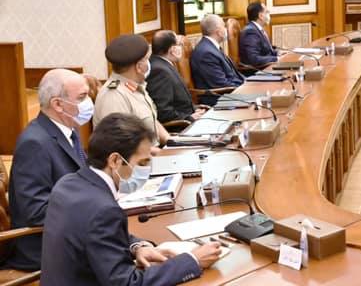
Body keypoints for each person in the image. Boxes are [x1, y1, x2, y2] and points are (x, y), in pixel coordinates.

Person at [40, 113, 221, 285]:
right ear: (115, 161)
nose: (146, 170)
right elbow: (126, 282)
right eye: (142, 163)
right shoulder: (103, 210)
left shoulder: (67, 183)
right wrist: (192, 260)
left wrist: (138, 246)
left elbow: (97, 234)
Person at [4, 69, 91, 271]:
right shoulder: (35, 143)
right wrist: (92, 209)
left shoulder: (68, 129)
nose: (88, 103)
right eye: (82, 97)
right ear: (58, 104)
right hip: (47, 247)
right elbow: (36, 211)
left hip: (71, 233)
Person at [94, 34, 170, 146]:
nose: (150, 63)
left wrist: (170, 141)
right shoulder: (114, 96)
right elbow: (121, 145)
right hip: (140, 156)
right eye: (147, 59)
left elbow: (151, 121)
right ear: (139, 67)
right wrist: (158, 153)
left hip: (154, 152)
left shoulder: (136, 86)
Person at [146, 31, 205, 124]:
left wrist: (194, 109)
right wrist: (189, 118)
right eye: (179, 44)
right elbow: (163, 111)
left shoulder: (163, 64)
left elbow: (179, 102)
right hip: (182, 126)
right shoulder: (159, 71)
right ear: (173, 49)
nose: (181, 48)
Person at [190, 14, 244, 106]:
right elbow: (221, 84)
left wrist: (247, 82)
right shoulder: (206, 53)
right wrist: (244, 87)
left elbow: (232, 75)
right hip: (219, 99)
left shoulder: (211, 47)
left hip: (230, 93)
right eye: (224, 26)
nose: (226, 29)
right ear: (218, 31)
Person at [239, 1, 278, 68]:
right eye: (267, 12)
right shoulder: (250, 32)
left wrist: (278, 53)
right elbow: (254, 59)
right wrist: (277, 58)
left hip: (267, 66)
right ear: (260, 16)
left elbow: (265, 50)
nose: (269, 14)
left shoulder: (256, 29)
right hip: (259, 70)